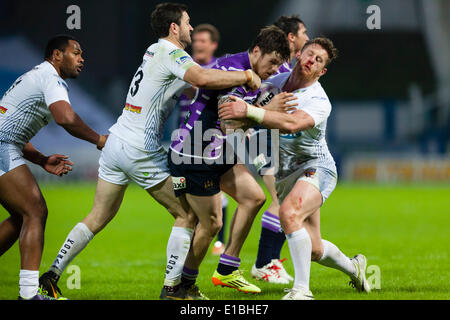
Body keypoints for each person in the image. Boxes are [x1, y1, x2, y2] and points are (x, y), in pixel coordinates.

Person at [38, 2, 261, 301]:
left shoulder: (154, 52)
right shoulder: (171, 53)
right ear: (173, 27)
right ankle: (173, 290)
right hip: (140, 149)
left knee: (97, 216)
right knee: (187, 216)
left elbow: (195, 87)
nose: (191, 28)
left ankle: (51, 276)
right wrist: (245, 76)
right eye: (187, 22)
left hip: (117, 142)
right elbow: (202, 79)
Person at [218, 37, 371, 300]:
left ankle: (302, 291)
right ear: (299, 55)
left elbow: (290, 124)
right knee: (312, 249)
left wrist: (252, 112)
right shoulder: (273, 84)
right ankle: (354, 267)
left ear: (322, 71)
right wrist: (245, 115)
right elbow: (239, 118)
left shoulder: (318, 100)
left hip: (316, 168)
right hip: (285, 174)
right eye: (310, 54)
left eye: (319, 60)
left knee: (288, 214)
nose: (311, 60)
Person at [169, 25, 292, 294]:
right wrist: (265, 111)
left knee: (254, 198)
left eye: (278, 65)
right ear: (256, 51)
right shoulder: (230, 71)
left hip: (216, 153)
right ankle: (182, 286)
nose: (273, 69)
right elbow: (230, 121)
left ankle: (227, 269)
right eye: (271, 62)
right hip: (195, 154)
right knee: (210, 223)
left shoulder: (257, 72)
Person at [0, 35, 108, 300]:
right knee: (35, 210)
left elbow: (9, 129)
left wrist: (40, 159)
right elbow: (66, 118)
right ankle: (28, 294)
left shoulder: (37, 76)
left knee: (21, 216)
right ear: (57, 55)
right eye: (76, 53)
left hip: (6, 144)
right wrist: (99, 140)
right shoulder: (51, 77)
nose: (82, 59)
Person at [250, 15, 310, 284]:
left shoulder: (287, 67)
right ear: (291, 37)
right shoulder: (276, 69)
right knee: (280, 200)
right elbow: (254, 103)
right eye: (304, 33)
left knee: (285, 201)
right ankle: (264, 263)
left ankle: (269, 261)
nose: (307, 38)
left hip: (271, 140)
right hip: (261, 139)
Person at [175, 23, 228, 255]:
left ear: (213, 45)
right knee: (182, 195)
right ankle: (191, 238)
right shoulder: (185, 67)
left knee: (217, 192)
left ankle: (216, 242)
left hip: (210, 142)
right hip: (183, 142)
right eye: (196, 40)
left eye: (203, 41)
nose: (197, 44)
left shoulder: (219, 71)